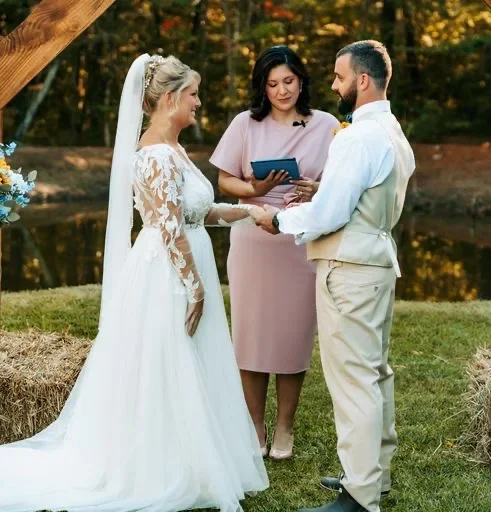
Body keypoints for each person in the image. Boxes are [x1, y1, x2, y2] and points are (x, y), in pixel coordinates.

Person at [0, 54, 268, 512]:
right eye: (193, 95)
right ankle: (161, 464)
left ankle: (193, 456)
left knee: (190, 363)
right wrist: (195, 286)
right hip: (167, 273)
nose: (199, 103)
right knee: (167, 361)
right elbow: (167, 227)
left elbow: (196, 214)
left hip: (181, 262)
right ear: (169, 99)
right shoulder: (157, 156)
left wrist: (251, 212)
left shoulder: (175, 150)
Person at [252, 40, 415, 512]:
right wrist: (325, 193)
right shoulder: (390, 130)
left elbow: (330, 214)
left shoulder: (356, 136)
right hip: (377, 261)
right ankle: (373, 477)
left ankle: (361, 497)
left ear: (362, 80)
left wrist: (279, 220)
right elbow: (365, 195)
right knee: (375, 373)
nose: (334, 84)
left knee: (353, 380)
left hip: (350, 270)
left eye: (339, 76)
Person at [210, 45, 339, 459]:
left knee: (291, 337)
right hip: (255, 240)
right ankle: (254, 428)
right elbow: (225, 181)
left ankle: (285, 428)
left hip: (300, 243)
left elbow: (344, 183)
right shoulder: (245, 124)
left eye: (288, 81)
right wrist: (257, 191)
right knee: (251, 337)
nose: (281, 90)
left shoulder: (328, 125)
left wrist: (318, 190)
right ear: (262, 88)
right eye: (272, 84)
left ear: (301, 80)